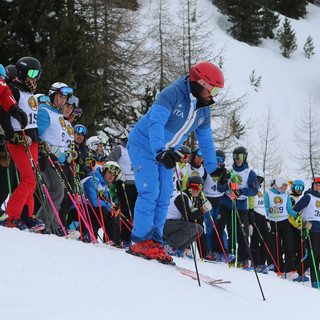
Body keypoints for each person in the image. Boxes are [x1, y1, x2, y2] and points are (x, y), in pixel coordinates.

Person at [127, 61, 224, 263]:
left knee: (164, 195)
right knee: (150, 191)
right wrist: (160, 151)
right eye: (212, 89)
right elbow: (156, 123)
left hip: (166, 151)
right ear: (200, 83)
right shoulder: (172, 93)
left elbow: (205, 141)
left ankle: (155, 240)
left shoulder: (203, 108)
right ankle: (140, 241)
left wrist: (214, 170)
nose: (213, 95)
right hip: (145, 145)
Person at [0, 57, 45, 231]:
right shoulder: (14, 90)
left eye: (37, 75)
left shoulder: (29, 93)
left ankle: (28, 216)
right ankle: (12, 215)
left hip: (32, 140)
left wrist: (38, 141)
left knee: (32, 181)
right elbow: (4, 113)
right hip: (19, 140)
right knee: (28, 178)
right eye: (32, 73)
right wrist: (11, 135)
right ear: (21, 72)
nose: (34, 78)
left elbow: (33, 121)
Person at [36, 82, 73, 235]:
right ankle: (44, 224)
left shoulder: (59, 116)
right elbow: (35, 134)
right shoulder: (44, 111)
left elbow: (61, 139)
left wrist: (67, 152)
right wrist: (47, 147)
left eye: (65, 98)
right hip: (46, 157)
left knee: (57, 192)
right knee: (57, 191)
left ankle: (48, 224)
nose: (63, 101)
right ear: (52, 95)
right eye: (60, 97)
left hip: (59, 159)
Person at [212, 146, 258, 268]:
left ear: (245, 158)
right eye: (236, 157)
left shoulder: (250, 173)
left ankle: (244, 258)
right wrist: (227, 186)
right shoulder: (227, 170)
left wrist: (240, 191)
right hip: (226, 204)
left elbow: (254, 191)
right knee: (220, 227)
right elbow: (219, 188)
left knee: (241, 233)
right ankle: (219, 252)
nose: (238, 160)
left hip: (240, 206)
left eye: (241, 157)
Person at [163, 175, 212, 257]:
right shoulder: (181, 197)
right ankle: (169, 245)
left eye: (199, 188)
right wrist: (202, 210)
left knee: (199, 229)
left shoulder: (191, 199)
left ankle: (179, 248)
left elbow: (191, 218)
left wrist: (199, 209)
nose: (196, 190)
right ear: (188, 186)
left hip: (173, 224)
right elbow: (188, 217)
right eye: (193, 187)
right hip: (165, 224)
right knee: (192, 227)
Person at [107, 124, 137, 247]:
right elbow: (108, 162)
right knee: (125, 211)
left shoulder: (137, 149)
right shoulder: (120, 149)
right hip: (123, 184)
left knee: (135, 212)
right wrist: (118, 175)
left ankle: (134, 238)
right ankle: (124, 239)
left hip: (136, 185)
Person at [78, 161, 123, 242]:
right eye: (109, 173)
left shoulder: (103, 184)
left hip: (87, 208)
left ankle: (111, 240)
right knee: (102, 211)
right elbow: (94, 202)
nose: (111, 177)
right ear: (103, 171)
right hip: (76, 208)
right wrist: (107, 206)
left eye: (113, 175)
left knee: (112, 212)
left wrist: (111, 207)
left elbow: (105, 199)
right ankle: (85, 233)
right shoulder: (93, 180)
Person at [264, 174, 297, 277]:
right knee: (276, 247)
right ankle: (279, 270)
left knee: (288, 245)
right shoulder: (268, 194)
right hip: (274, 222)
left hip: (284, 221)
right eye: (284, 185)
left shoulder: (286, 195)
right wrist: (269, 210)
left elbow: (289, 210)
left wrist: (297, 214)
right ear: (278, 183)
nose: (286, 187)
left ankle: (290, 269)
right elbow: (264, 208)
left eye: (286, 185)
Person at [292, 176, 320, 288]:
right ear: (313, 186)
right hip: (310, 229)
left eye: (319, 185)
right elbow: (296, 209)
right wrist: (302, 218)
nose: (317, 187)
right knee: (314, 256)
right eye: (316, 185)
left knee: (318, 256)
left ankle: (299, 270)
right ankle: (315, 281)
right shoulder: (308, 197)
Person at [202, 149, 228, 257]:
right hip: (208, 200)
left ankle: (223, 250)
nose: (219, 162)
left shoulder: (224, 171)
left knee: (220, 226)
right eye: (217, 159)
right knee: (209, 226)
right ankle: (210, 250)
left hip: (219, 201)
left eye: (221, 160)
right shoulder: (207, 169)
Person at [248, 171, 270, 273]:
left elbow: (263, 205)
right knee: (255, 239)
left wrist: (267, 219)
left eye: (260, 180)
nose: (258, 182)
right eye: (257, 179)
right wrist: (249, 219)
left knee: (265, 240)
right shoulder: (250, 189)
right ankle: (256, 263)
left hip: (262, 216)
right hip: (254, 214)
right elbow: (249, 203)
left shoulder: (261, 190)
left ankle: (262, 262)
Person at [289, 179, 306, 270]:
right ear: (293, 187)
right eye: (297, 187)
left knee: (301, 248)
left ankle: (298, 267)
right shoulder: (291, 199)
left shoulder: (298, 199)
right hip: (292, 227)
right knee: (295, 248)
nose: (299, 190)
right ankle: (294, 267)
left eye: (301, 188)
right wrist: (297, 225)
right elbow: (290, 214)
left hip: (299, 227)